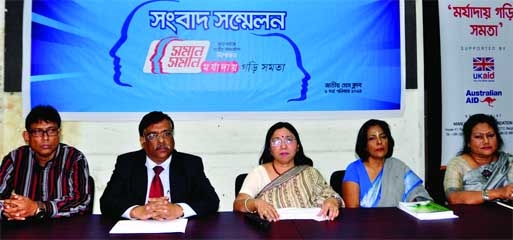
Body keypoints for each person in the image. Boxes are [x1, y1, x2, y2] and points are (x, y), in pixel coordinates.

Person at [100, 111, 219, 220]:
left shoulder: (190, 163)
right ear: (142, 140)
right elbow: (107, 202)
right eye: (153, 136)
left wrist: (179, 209)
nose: (162, 141)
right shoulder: (127, 163)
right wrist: (136, 211)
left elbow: (211, 200)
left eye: (166, 134)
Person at [233, 122, 343, 221]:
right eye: (276, 141)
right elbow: (238, 204)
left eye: (289, 140)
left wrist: (332, 201)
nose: (283, 146)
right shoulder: (259, 173)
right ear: (270, 149)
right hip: (271, 232)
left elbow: (331, 196)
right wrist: (256, 203)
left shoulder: (310, 172)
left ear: (298, 146)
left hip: (310, 230)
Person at [0, 105, 91, 220]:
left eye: (51, 131)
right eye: (38, 132)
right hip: (23, 228)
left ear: (59, 134)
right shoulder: (15, 158)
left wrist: (37, 207)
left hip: (63, 230)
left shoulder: (74, 158)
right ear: (27, 136)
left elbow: (81, 202)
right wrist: (10, 210)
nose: (45, 138)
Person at [342, 119, 432, 208]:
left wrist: (415, 203)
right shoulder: (354, 170)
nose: (379, 142)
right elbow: (353, 212)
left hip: (398, 221)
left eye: (383, 137)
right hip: (363, 222)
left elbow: (418, 196)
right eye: (372, 138)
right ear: (364, 145)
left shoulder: (398, 167)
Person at [444, 114, 513, 204]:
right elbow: (453, 197)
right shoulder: (457, 164)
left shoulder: (508, 162)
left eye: (491, 135)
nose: (486, 141)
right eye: (478, 137)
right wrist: (498, 193)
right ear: (468, 142)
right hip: (470, 216)